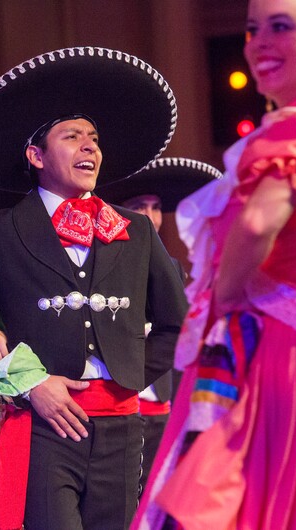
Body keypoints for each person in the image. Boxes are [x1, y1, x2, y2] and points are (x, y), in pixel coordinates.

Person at [0, 47, 188, 530]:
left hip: (122, 424)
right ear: (35, 155)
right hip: (40, 423)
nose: (89, 147)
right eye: (71, 137)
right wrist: (30, 382)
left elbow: (179, 324)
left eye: (94, 138)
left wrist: (130, 374)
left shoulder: (135, 229)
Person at [133, 0, 296, 529]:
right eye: (251, 29)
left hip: (286, 354)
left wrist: (228, 294)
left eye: (281, 26)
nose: (259, 41)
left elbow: (259, 223)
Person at [96, 157, 222, 492]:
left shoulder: (172, 268)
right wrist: (121, 385)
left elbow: (178, 334)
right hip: (112, 404)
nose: (149, 216)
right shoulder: (96, 266)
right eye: (139, 206)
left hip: (160, 407)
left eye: (155, 207)